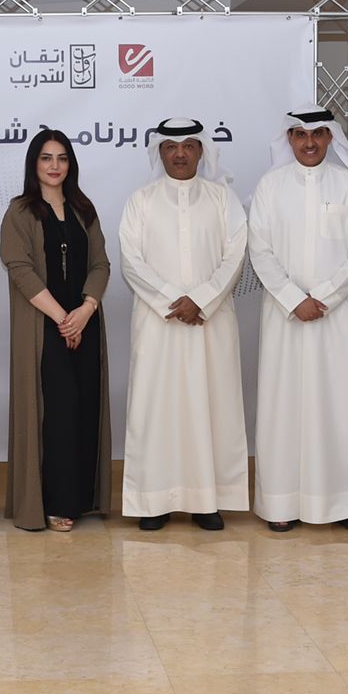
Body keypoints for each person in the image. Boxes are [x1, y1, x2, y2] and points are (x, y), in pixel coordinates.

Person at [247, 109, 348, 534]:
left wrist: (322, 297)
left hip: (338, 315)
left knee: (342, 405)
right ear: (289, 139)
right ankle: (281, 501)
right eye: (300, 134)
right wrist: (294, 299)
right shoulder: (270, 187)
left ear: (331, 138)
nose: (309, 143)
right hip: (285, 314)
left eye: (318, 134)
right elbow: (259, 249)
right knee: (284, 406)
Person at [119, 118, 249, 531]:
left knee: (212, 406)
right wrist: (174, 301)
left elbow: (235, 256)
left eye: (189, 145)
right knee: (157, 409)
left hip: (211, 321)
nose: (180, 153)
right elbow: (130, 261)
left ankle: (206, 501)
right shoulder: (140, 200)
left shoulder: (223, 199)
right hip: (158, 323)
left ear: (201, 150)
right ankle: (154, 501)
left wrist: (202, 300)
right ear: (159, 151)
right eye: (171, 146)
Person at [0, 129, 112, 532]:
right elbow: (20, 269)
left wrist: (85, 310)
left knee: (83, 407)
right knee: (56, 412)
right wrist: (63, 319)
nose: (54, 166)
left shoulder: (84, 208)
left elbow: (100, 264)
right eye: (46, 158)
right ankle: (53, 502)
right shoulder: (20, 212)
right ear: (34, 164)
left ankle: (81, 499)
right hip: (44, 327)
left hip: (84, 323)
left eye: (62, 158)